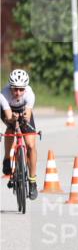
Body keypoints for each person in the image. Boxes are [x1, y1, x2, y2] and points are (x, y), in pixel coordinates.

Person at [1, 69, 40, 200]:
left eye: (21, 89)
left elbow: (28, 116)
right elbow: (8, 117)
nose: (18, 92)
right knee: (11, 130)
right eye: (15, 89)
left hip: (23, 112)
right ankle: (7, 159)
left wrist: (23, 118)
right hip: (8, 112)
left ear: (25, 88)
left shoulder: (30, 94)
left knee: (30, 145)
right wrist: (13, 119)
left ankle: (32, 181)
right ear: (10, 87)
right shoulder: (4, 94)